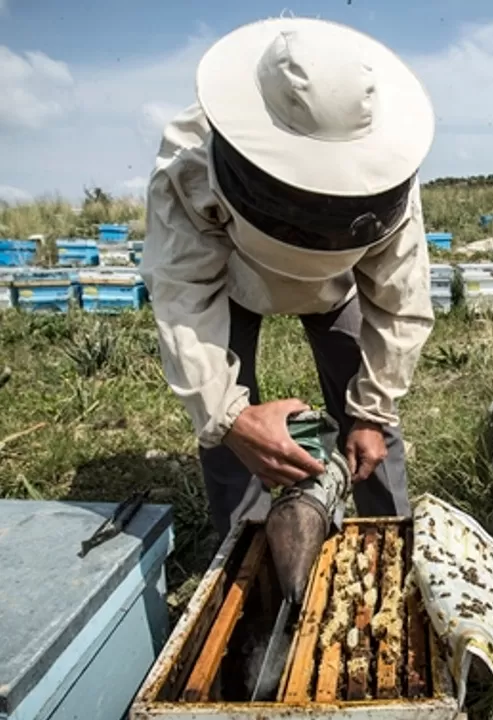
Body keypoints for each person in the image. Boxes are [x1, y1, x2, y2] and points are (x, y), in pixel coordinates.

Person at [139, 16, 436, 539]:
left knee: (372, 427)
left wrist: (371, 412)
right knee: (230, 432)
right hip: (231, 282)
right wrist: (231, 418)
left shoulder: (389, 171)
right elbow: (183, 295)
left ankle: (390, 535)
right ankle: (241, 550)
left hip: (337, 289)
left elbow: (400, 301)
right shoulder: (191, 160)